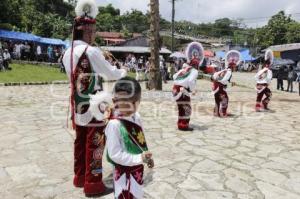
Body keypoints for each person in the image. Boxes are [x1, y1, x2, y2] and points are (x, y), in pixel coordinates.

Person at [62, 0, 127, 196]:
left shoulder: (68, 52)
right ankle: (93, 182)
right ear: (87, 31)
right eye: (93, 30)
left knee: (80, 140)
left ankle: (80, 176)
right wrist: (122, 71)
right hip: (94, 104)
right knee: (96, 141)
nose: (95, 34)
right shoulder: (91, 51)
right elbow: (110, 73)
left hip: (78, 103)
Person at [105, 77, 154, 199]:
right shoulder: (114, 124)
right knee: (124, 194)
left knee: (136, 193)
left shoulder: (136, 117)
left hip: (137, 168)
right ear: (115, 101)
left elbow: (140, 140)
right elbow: (114, 154)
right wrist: (139, 158)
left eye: (134, 102)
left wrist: (146, 157)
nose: (131, 107)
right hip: (123, 172)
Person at [173, 42, 204, 131]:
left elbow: (174, 76)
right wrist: (192, 90)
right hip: (182, 91)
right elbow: (190, 81)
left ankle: (180, 124)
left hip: (175, 89)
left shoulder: (185, 69)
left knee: (181, 107)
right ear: (197, 65)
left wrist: (181, 82)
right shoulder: (194, 71)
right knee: (187, 108)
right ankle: (184, 125)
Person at [212, 50, 241, 117]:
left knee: (217, 100)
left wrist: (229, 82)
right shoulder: (229, 72)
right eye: (234, 67)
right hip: (220, 88)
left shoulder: (224, 70)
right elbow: (224, 80)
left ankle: (216, 112)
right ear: (233, 67)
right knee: (225, 99)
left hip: (216, 87)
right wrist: (230, 83)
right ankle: (223, 112)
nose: (235, 68)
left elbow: (215, 76)